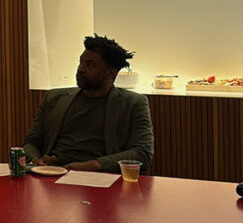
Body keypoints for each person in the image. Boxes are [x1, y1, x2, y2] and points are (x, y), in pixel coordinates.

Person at [22, 34, 154, 172]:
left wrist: (95, 165)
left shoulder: (133, 103)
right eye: (81, 62)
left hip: (100, 177)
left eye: (90, 65)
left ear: (110, 73)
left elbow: (142, 153)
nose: (81, 69)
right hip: (54, 173)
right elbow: (31, 143)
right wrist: (36, 160)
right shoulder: (54, 98)